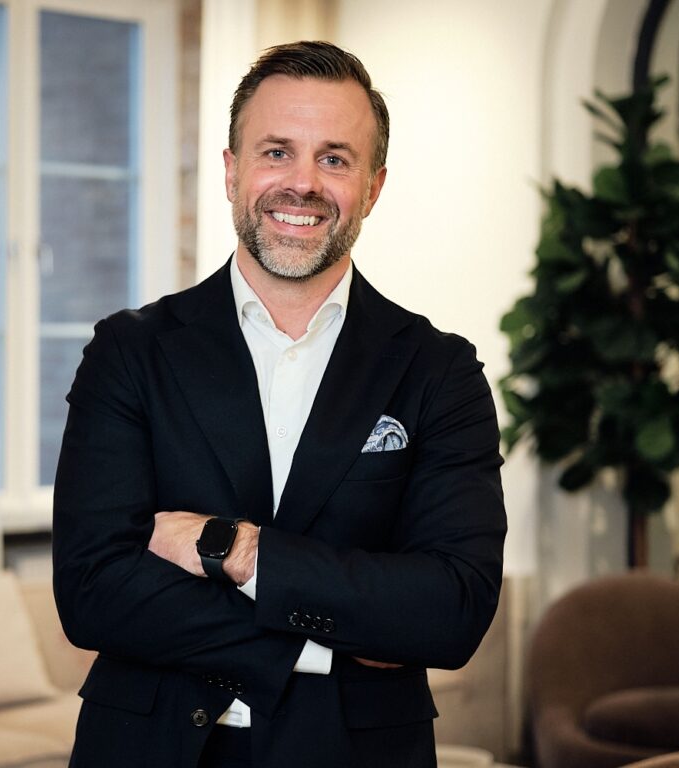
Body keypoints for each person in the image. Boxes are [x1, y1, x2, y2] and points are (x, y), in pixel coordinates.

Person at [52, 40, 506, 768]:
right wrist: (325, 644)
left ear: (374, 187)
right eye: (275, 152)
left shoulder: (438, 372)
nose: (302, 184)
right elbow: (92, 591)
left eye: (335, 159)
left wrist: (234, 549)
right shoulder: (129, 352)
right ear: (232, 171)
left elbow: (450, 610)